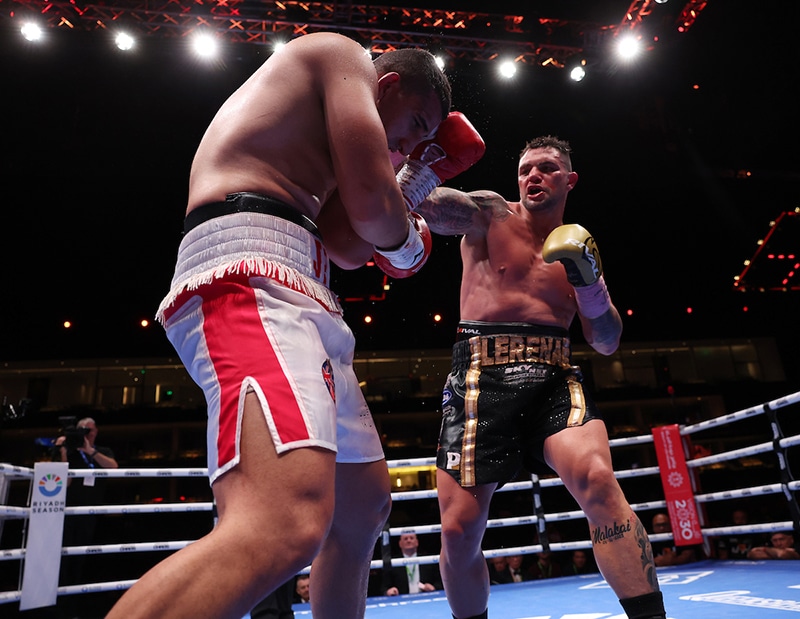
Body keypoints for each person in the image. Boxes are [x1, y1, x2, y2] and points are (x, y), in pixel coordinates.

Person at [107, 32, 485, 619]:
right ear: (386, 86)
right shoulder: (343, 57)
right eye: (413, 124)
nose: (411, 144)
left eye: (423, 141)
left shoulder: (329, 149)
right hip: (250, 272)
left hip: (305, 289)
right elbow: (373, 216)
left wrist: (411, 183)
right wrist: (408, 238)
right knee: (282, 522)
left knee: (361, 509)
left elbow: (343, 245)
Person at [414, 135, 667, 619]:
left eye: (547, 168)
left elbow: (607, 341)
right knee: (457, 530)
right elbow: (428, 205)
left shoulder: (580, 246)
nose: (533, 175)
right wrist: (416, 170)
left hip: (554, 373)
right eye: (526, 168)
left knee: (597, 479)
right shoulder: (490, 213)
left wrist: (591, 287)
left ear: (569, 180)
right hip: (480, 377)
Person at [53, 417, 118, 615]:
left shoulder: (102, 452)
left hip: (94, 515)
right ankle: (60, 608)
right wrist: (63, 453)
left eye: (89, 430)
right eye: (82, 430)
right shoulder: (70, 452)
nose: (86, 434)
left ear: (96, 431)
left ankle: (81, 607)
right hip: (69, 513)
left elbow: (114, 468)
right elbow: (66, 483)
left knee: (87, 562)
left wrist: (90, 451)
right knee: (64, 561)